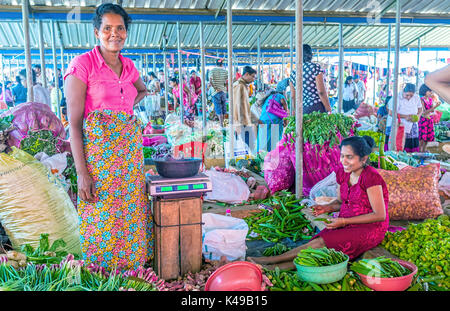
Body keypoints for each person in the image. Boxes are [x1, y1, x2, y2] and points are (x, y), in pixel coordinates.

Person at [64, 3, 152, 271]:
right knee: (102, 220)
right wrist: (82, 173)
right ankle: (104, 279)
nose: (115, 34)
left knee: (130, 217)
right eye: (107, 28)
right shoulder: (83, 65)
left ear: (126, 32)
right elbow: (75, 127)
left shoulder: (129, 66)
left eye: (120, 28)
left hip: (129, 158)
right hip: (99, 162)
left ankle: (132, 275)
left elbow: (142, 90)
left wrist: (124, 112)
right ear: (96, 32)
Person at [248, 136, 389, 270]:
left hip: (370, 227)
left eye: (349, 157)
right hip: (347, 222)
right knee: (319, 243)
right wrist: (326, 208)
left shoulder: (371, 178)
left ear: (364, 159)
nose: (343, 161)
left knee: (321, 243)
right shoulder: (343, 173)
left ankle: (271, 262)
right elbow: (341, 202)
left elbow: (380, 215)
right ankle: (272, 266)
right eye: (342, 156)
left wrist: (344, 221)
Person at [289, 44, 332, 114]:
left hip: (303, 109)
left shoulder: (293, 73)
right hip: (317, 107)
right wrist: (329, 109)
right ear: (310, 54)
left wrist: (296, 112)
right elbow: (321, 92)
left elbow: (293, 96)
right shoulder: (315, 67)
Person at [385, 83, 423, 153]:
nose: (409, 97)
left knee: (410, 147)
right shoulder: (396, 98)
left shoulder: (416, 97)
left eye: (411, 95)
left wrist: (418, 116)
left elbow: (420, 109)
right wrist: (406, 117)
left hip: (412, 125)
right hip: (397, 124)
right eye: (407, 95)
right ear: (403, 91)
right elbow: (391, 112)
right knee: (396, 145)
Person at [418, 84, 441, 152]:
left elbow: (432, 110)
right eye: (429, 91)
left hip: (429, 121)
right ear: (424, 91)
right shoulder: (421, 100)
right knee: (421, 140)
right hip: (423, 121)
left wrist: (434, 108)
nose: (431, 93)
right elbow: (424, 112)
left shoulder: (430, 99)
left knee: (427, 139)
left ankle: (424, 152)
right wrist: (435, 107)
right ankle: (420, 152)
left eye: (431, 91)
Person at [209, 59, 228, 127]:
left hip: (215, 92)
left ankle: (221, 126)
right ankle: (225, 125)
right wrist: (224, 87)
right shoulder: (225, 71)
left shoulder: (212, 71)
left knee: (218, 109)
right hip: (223, 92)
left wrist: (215, 88)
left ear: (216, 64)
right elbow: (227, 82)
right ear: (222, 64)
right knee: (224, 109)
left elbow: (210, 81)